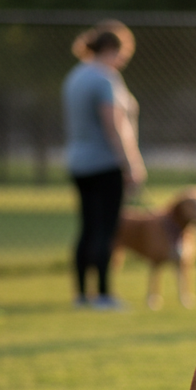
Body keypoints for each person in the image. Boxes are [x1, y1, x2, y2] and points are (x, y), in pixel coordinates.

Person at [62, 20, 146, 309]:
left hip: (78, 163)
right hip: (105, 164)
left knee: (87, 227)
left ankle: (83, 294)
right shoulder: (104, 78)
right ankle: (104, 294)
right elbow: (114, 124)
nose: (123, 60)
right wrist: (131, 163)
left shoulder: (76, 75)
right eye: (122, 53)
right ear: (110, 48)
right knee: (106, 229)